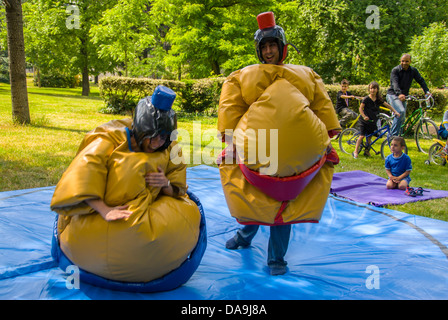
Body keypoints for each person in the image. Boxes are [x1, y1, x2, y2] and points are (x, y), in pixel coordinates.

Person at [218, 12, 340, 275]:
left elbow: (321, 103)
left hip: (295, 157)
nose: (269, 51)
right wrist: (229, 139)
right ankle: (245, 236)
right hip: (260, 149)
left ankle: (276, 258)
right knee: (256, 196)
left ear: (282, 47)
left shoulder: (305, 75)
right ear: (259, 51)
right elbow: (232, 104)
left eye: (273, 45)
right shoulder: (247, 76)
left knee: (286, 199)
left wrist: (327, 134)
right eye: (264, 47)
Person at [50, 85, 203, 284]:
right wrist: (104, 210)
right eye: (154, 136)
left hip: (150, 211)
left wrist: (165, 184)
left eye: (164, 137)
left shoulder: (169, 148)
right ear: (142, 128)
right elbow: (83, 175)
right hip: (103, 214)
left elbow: (178, 185)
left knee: (187, 213)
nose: (158, 142)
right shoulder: (107, 141)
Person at [386, 54, 431, 137]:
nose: (404, 63)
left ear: (410, 61)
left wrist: (427, 91)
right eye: (403, 61)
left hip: (403, 96)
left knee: (402, 118)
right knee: (401, 112)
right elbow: (394, 83)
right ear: (400, 61)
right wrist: (399, 94)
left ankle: (398, 137)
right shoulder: (395, 70)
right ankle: (393, 136)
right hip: (393, 95)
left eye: (407, 61)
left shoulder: (413, 71)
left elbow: (421, 80)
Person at [353, 81, 399, 158]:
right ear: (369, 89)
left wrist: (395, 112)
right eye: (371, 88)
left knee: (370, 137)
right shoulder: (366, 99)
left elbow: (387, 105)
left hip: (372, 120)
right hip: (364, 121)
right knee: (362, 136)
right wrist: (364, 116)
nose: (373, 90)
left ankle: (367, 151)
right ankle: (355, 151)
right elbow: (360, 109)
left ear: (377, 89)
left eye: (374, 88)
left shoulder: (378, 99)